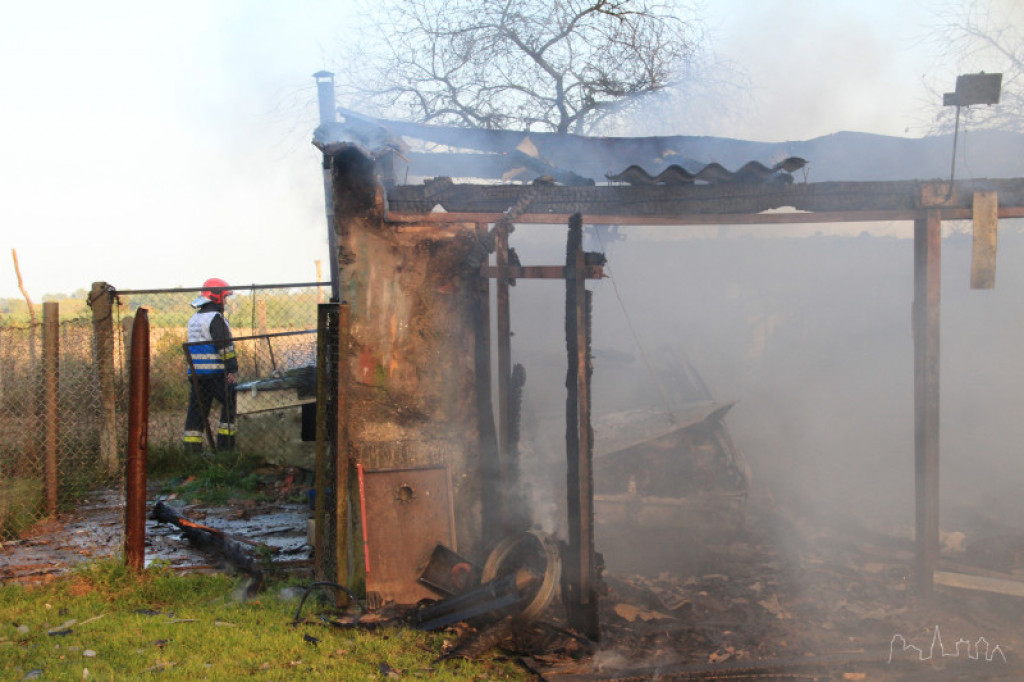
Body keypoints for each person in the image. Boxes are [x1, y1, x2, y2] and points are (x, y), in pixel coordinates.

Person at [183, 278, 238, 453]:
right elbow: (225, 347)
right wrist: (232, 369)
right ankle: (225, 448)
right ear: (217, 296)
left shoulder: (194, 319)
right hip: (215, 373)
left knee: (197, 411)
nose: (226, 301)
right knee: (232, 402)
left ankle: (191, 452)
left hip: (196, 375)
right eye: (225, 297)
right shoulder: (216, 318)